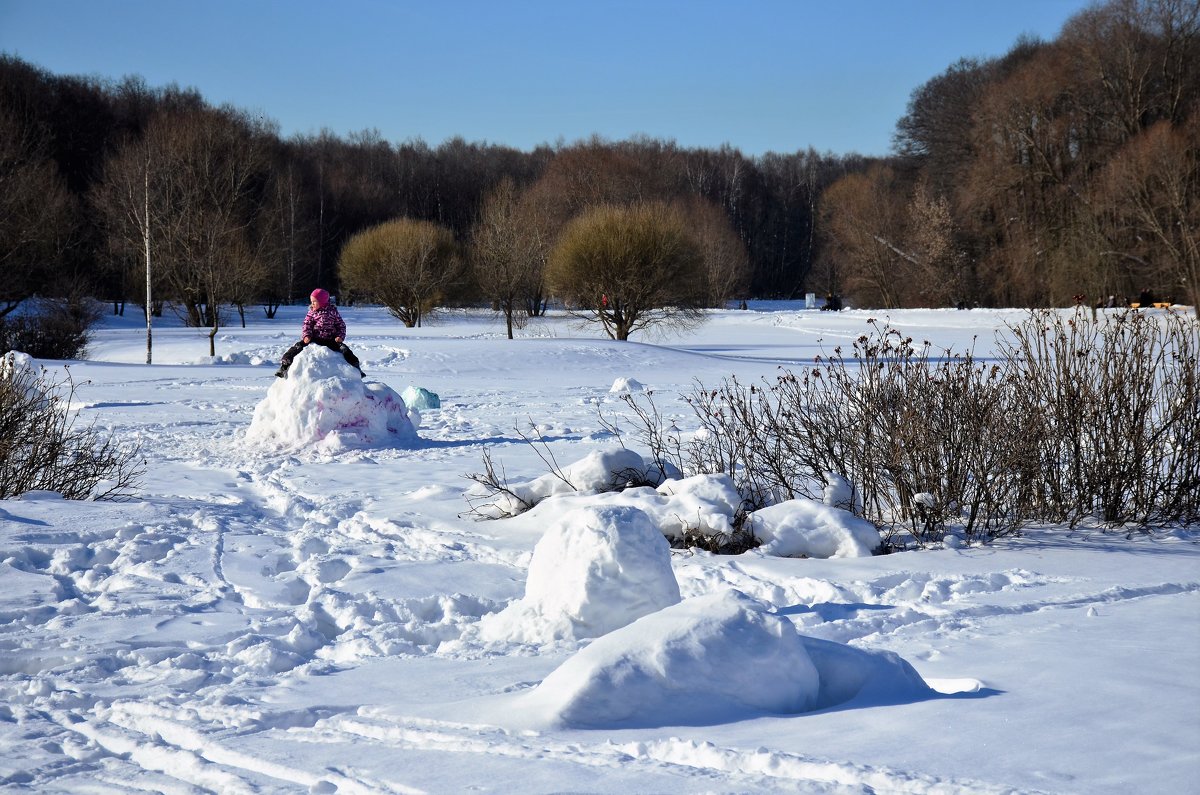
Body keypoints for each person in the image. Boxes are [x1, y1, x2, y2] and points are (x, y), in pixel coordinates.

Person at [275, 289, 363, 378]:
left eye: (314, 302)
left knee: (344, 349)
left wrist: (339, 336)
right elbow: (307, 324)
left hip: (331, 339)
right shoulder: (312, 312)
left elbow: (341, 325)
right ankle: (285, 365)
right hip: (315, 338)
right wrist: (307, 335)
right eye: (311, 302)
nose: (312, 304)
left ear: (322, 302)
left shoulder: (333, 312)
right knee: (298, 346)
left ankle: (356, 366)